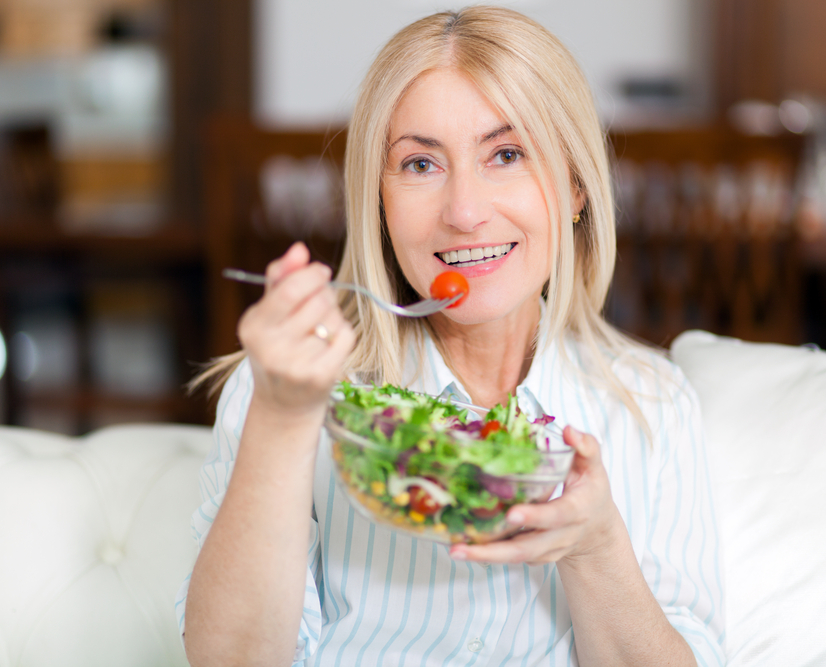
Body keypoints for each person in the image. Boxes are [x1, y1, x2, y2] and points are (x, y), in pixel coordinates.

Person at [177, 6, 724, 666]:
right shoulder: (286, 387)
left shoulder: (653, 407)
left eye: (507, 154)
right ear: (378, 198)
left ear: (576, 185)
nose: (464, 212)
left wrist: (595, 544)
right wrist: (283, 417)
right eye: (419, 165)